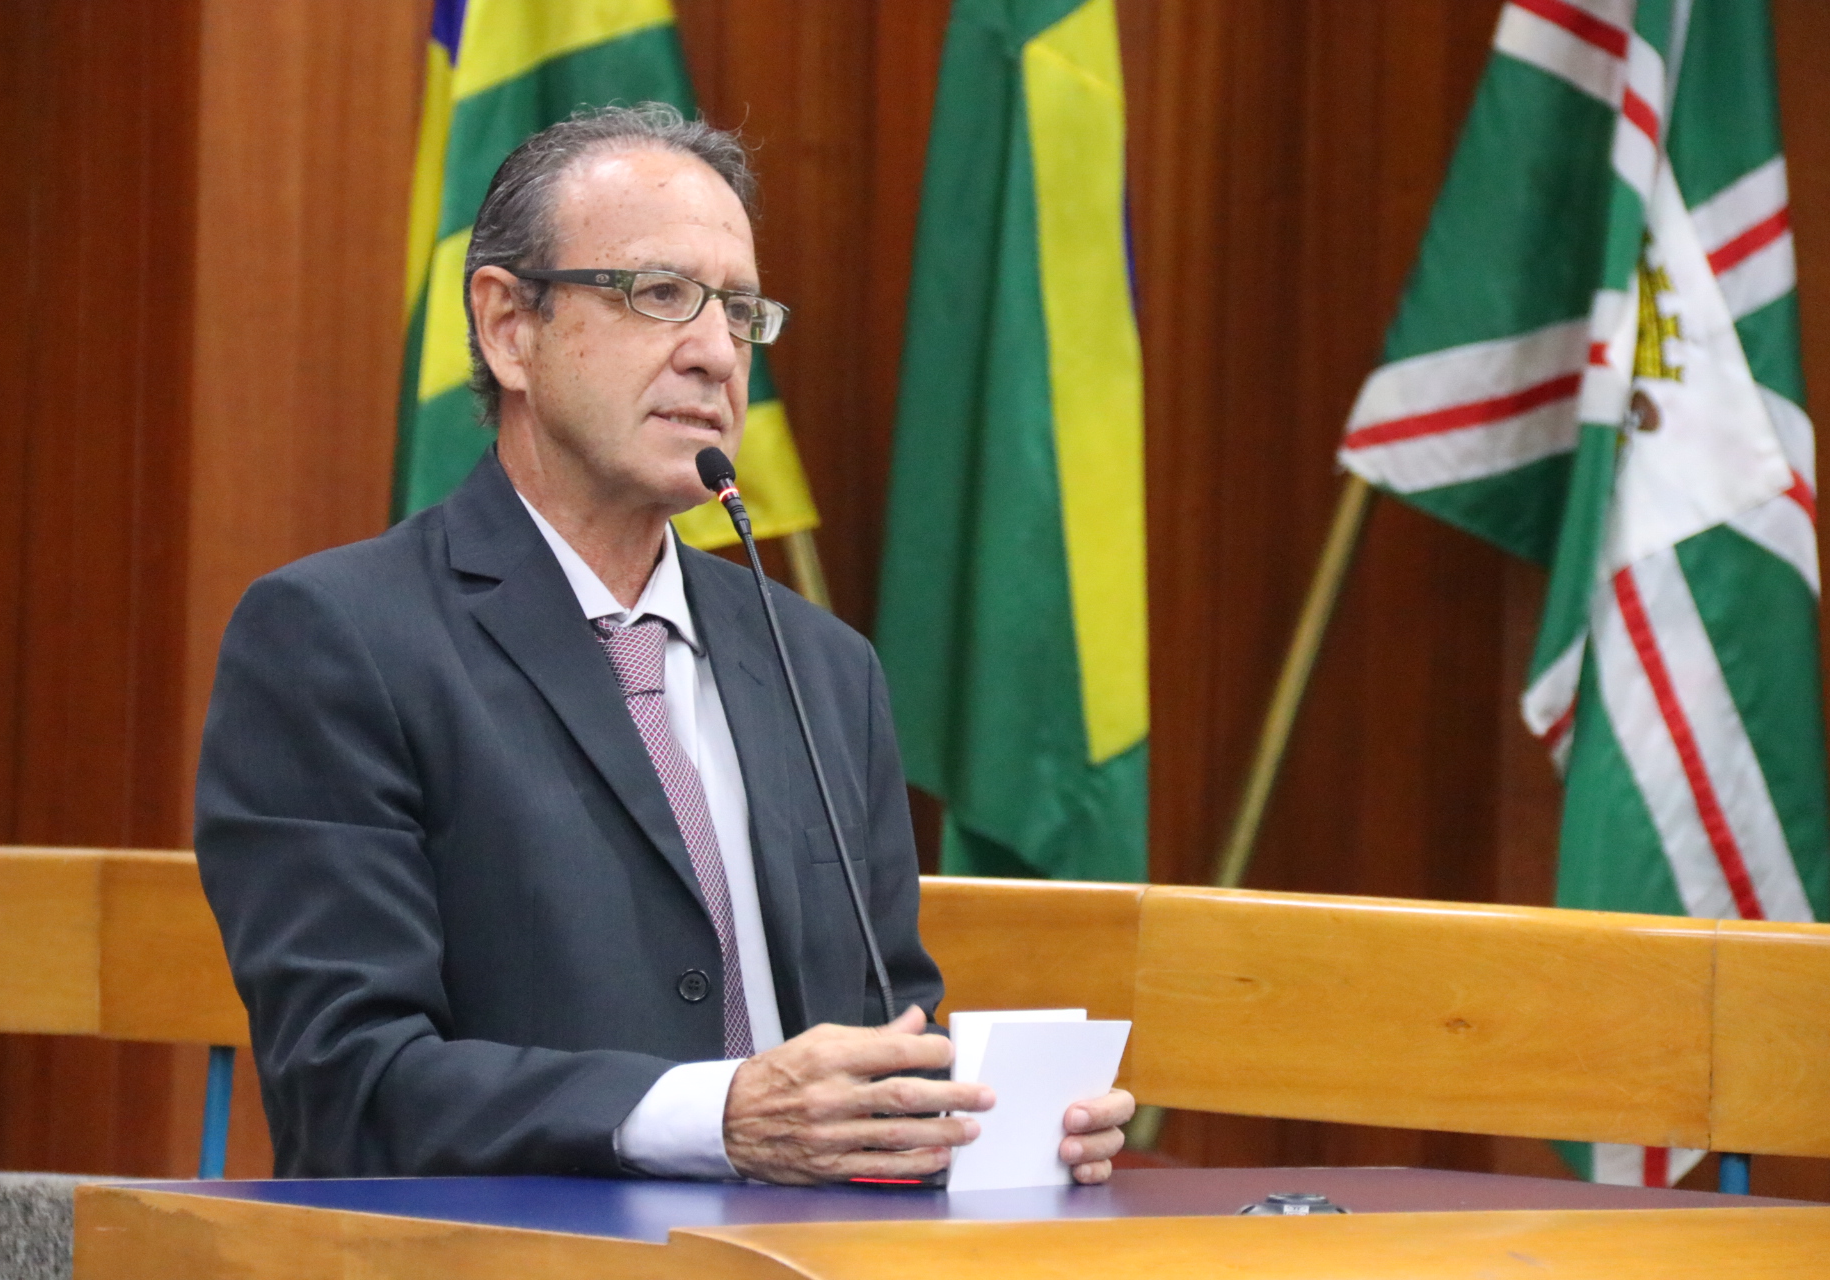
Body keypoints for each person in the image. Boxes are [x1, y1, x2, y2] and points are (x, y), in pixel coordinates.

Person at [195, 104, 1134, 1184]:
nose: (714, 355)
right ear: (509, 326)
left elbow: (886, 1033)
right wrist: (714, 1116)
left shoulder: (825, 669)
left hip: (815, 1249)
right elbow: (348, 1085)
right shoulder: (338, 640)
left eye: (738, 311)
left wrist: (986, 1124)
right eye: (658, 294)